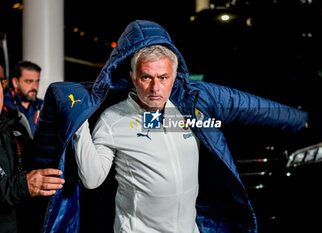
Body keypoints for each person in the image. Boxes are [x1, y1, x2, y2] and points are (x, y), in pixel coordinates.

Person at [33, 20, 307, 233]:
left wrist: (300, 119)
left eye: (163, 77)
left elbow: (246, 106)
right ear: (132, 77)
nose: (155, 88)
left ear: (174, 75)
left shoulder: (191, 106)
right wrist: (78, 126)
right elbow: (92, 179)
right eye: (146, 78)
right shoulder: (114, 120)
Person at [0, 69, 65, 233]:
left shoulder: (17, 122)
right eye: (28, 81)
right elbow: (23, 184)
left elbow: (34, 163)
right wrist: (23, 186)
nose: (34, 86)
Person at [4, 61, 43, 136]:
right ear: (15, 82)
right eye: (29, 81)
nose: (35, 87)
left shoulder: (43, 106)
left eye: (37, 81)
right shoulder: (4, 104)